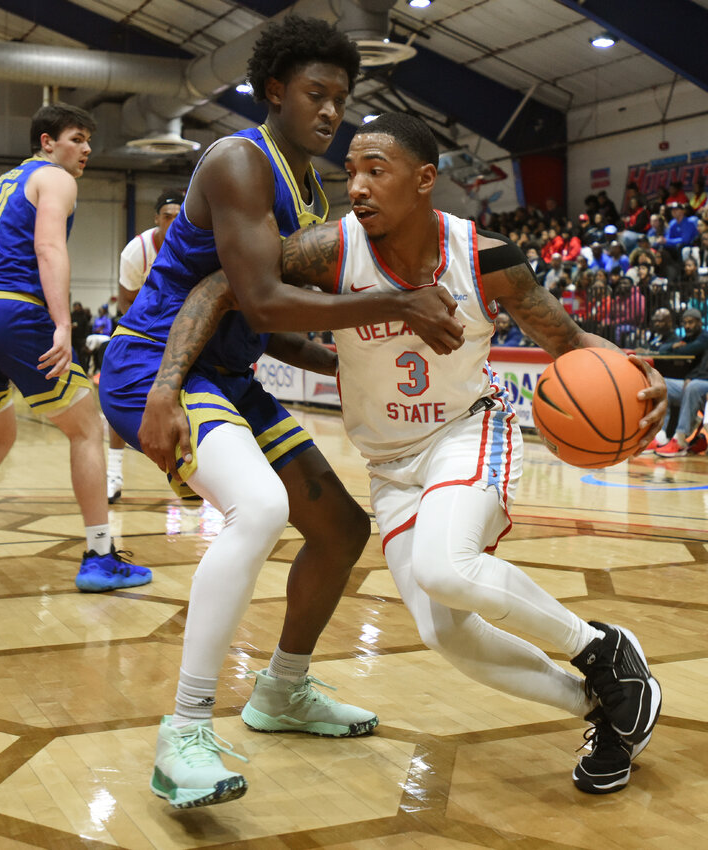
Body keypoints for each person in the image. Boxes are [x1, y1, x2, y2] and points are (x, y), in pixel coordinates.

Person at [162, 113, 667, 797]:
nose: (359, 186)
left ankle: (604, 650)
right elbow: (223, 287)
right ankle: (604, 706)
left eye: (378, 170)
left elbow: (570, 343)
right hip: (388, 465)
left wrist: (639, 372)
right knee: (445, 633)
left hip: (466, 433)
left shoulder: (485, 258)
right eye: (353, 173)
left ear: (425, 179)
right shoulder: (327, 249)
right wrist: (165, 386)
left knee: (445, 567)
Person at [98, 18, 463, 811]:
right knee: (259, 507)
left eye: (341, 98)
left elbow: (268, 321)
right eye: (315, 94)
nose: (331, 112)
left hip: (226, 375)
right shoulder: (238, 162)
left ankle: (282, 691)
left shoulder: (307, 186)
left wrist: (346, 364)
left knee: (341, 529)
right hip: (155, 366)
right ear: (274, 91)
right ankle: (187, 728)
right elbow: (259, 296)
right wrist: (398, 301)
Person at [0, 102, 152, 595]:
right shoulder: (56, 179)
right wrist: (62, 323)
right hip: (10, 310)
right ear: (47, 142)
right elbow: (49, 248)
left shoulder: (2, 184)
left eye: (89, 140)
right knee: (87, 427)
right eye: (76, 138)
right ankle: (100, 556)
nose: (86, 149)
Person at [107, 189, 184, 503]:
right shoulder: (136, 251)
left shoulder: (195, 244)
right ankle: (112, 473)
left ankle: (192, 471)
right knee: (119, 400)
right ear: (156, 219)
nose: (173, 223)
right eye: (167, 217)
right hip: (140, 330)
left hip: (184, 332)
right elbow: (126, 302)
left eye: (179, 217)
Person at [653, 344, 708, 457]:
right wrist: (689, 377)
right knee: (665, 384)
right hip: (699, 380)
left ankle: (680, 440)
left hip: (700, 384)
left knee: (694, 387)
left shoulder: (703, 338)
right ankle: (659, 436)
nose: (687, 325)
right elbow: (701, 369)